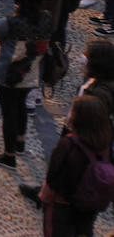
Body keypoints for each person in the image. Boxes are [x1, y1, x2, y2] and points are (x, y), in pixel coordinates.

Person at [0, 0, 49, 169]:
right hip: (31, 70)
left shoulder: (14, 22)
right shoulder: (46, 18)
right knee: (20, 105)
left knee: (8, 112)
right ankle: (20, 141)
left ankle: (9, 155)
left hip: (8, 73)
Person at [34, 95, 114, 235]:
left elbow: (53, 177)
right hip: (89, 206)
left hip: (63, 206)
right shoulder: (105, 146)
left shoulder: (69, 145)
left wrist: (43, 198)